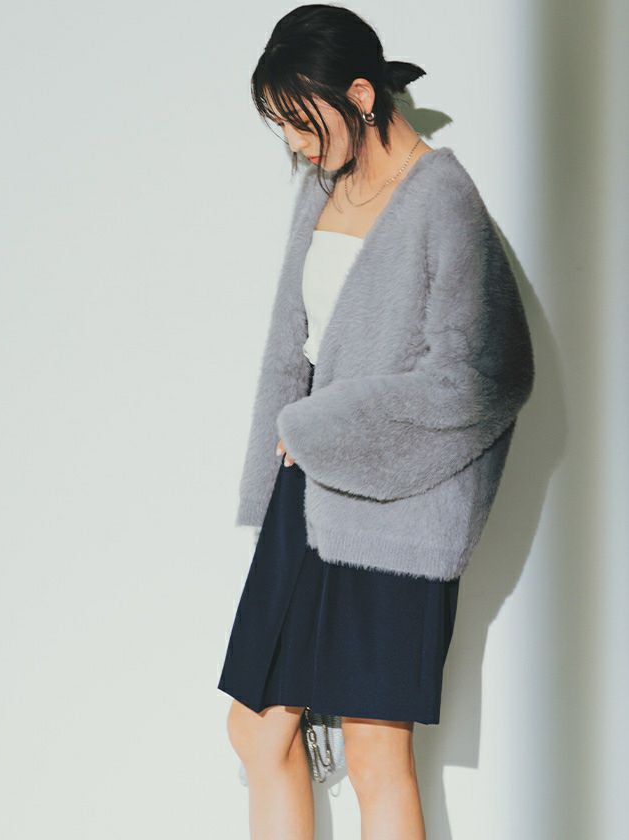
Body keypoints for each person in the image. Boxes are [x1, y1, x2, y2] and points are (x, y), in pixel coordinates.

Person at [217, 5, 534, 839]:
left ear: (360, 95)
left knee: (373, 751)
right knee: (257, 730)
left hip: (398, 513)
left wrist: (328, 423)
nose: (295, 144)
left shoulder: (444, 198)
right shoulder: (320, 188)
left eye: (302, 121)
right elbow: (294, 341)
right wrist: (292, 445)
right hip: (307, 489)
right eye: (281, 126)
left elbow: (488, 373)